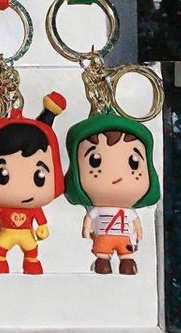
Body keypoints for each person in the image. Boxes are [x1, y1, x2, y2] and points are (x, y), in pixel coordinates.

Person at [0, 89, 67, 274]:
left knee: (31, 247)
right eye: (2, 176)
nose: (22, 190)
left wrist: (43, 226)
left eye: (39, 177)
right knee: (1, 246)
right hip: (6, 233)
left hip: (27, 234)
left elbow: (39, 217)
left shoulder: (32, 207)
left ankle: (32, 263)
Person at [64, 112, 160, 274]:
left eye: (134, 163)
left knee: (127, 250)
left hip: (123, 238)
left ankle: (127, 262)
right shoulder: (98, 210)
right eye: (95, 161)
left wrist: (139, 232)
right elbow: (89, 219)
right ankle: (103, 262)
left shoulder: (128, 212)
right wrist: (86, 230)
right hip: (104, 237)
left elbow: (136, 223)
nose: (117, 175)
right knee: (103, 251)